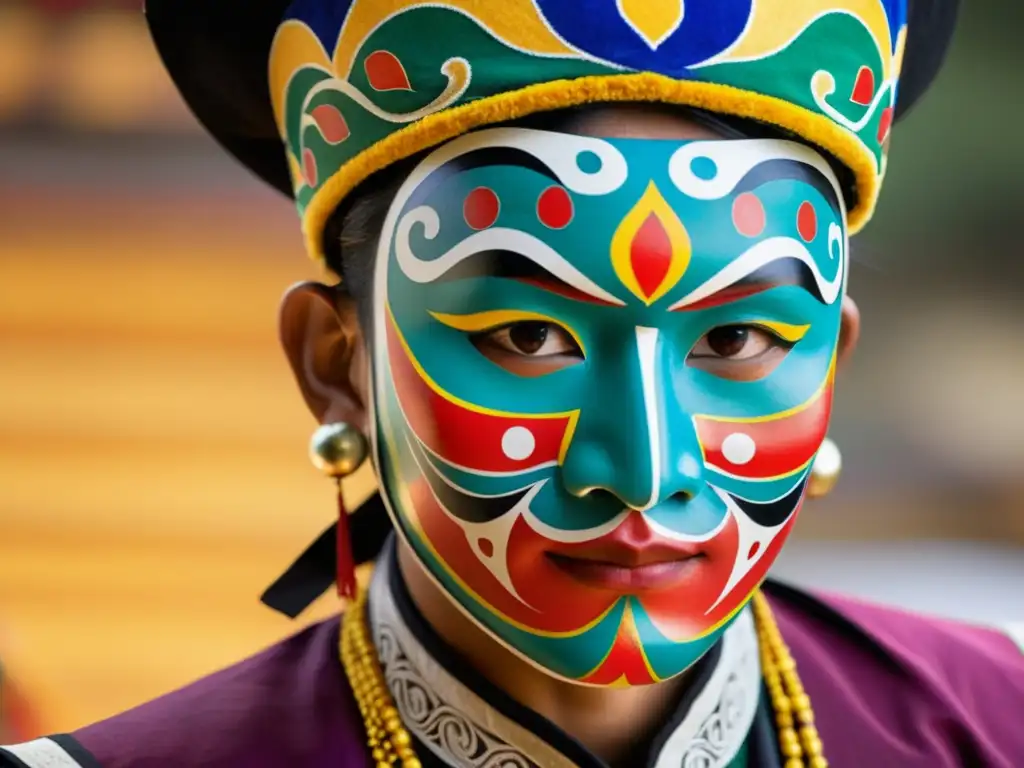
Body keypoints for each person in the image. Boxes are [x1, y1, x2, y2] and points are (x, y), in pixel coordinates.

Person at [3, 1, 1023, 766]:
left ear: (832, 361)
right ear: (334, 365)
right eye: (529, 336)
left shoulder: (991, 728)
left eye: (740, 338)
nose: (639, 470)